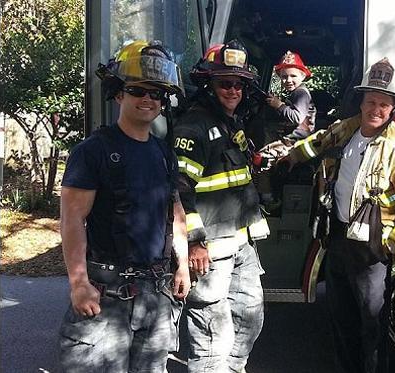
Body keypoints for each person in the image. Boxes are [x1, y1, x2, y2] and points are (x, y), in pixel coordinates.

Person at [278, 57, 395, 373]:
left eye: (384, 104)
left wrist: (393, 244)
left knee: (372, 327)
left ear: (393, 109)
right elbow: (316, 143)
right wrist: (288, 158)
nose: (376, 109)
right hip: (337, 240)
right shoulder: (346, 130)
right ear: (361, 102)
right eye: (371, 101)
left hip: (372, 252)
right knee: (341, 321)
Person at [56, 40, 191, 373]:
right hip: (107, 295)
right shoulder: (93, 152)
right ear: (119, 94)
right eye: (138, 90)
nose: (147, 99)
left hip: (157, 296)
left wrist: (183, 264)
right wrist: (79, 284)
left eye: (156, 93)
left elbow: (174, 212)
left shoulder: (164, 153)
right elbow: (72, 219)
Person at [171, 40, 270, 373]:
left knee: (250, 315)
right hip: (211, 247)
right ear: (208, 85)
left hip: (241, 242)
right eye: (225, 82)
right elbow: (180, 191)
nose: (233, 89)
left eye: (239, 84)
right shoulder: (192, 127)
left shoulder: (231, 123)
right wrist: (195, 242)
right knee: (212, 336)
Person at [255, 50, 317, 212]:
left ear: (303, 76)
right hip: (293, 138)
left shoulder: (301, 93)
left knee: (261, 160)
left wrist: (279, 105)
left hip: (296, 141)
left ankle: (268, 201)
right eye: (284, 76)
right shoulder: (296, 93)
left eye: (293, 76)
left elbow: (297, 117)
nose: (288, 80)